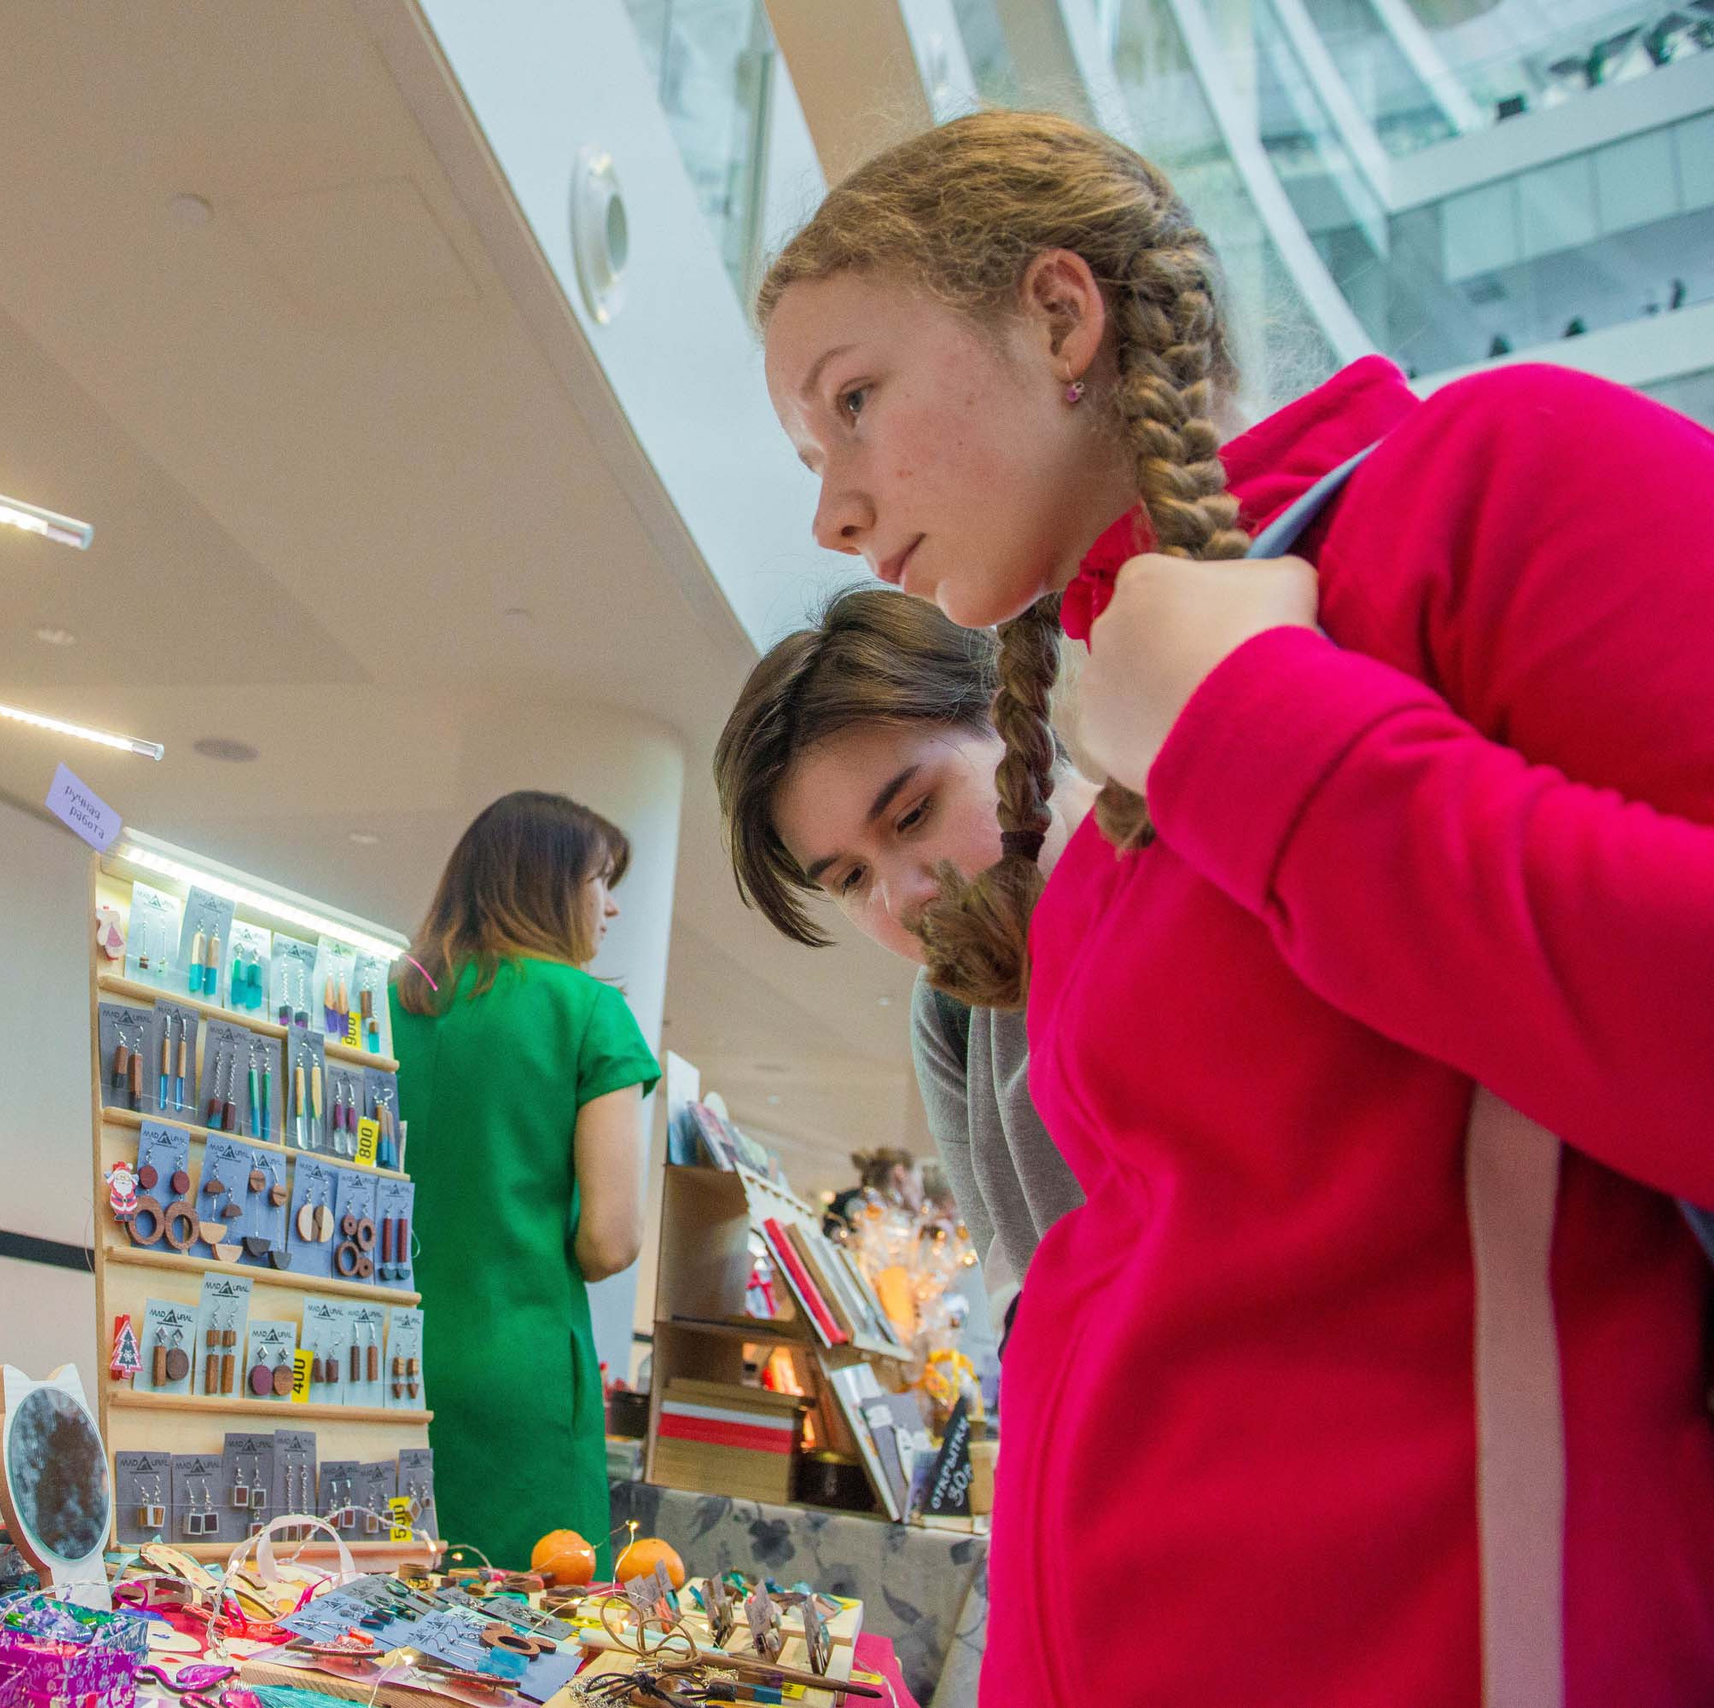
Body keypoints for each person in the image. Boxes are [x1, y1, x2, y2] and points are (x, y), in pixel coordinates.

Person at [757, 109, 1714, 1704]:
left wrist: (1261, 732)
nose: (835, 514)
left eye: (855, 404)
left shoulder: (1497, 475)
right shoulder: (1100, 790)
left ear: (1061, 316)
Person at [715, 587, 1084, 1300]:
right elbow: (1021, 1295)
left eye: (914, 814)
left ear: (1012, 711)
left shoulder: (1201, 867)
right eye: (851, 878)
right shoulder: (949, 1011)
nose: (901, 898)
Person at [393, 790, 660, 1566]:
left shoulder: (387, 998)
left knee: (352, 1632)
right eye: (599, 882)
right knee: (527, 1636)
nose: (609, 910)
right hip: (521, 1365)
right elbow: (611, 1242)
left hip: (371, 1358)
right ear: (545, 884)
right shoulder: (586, 1012)